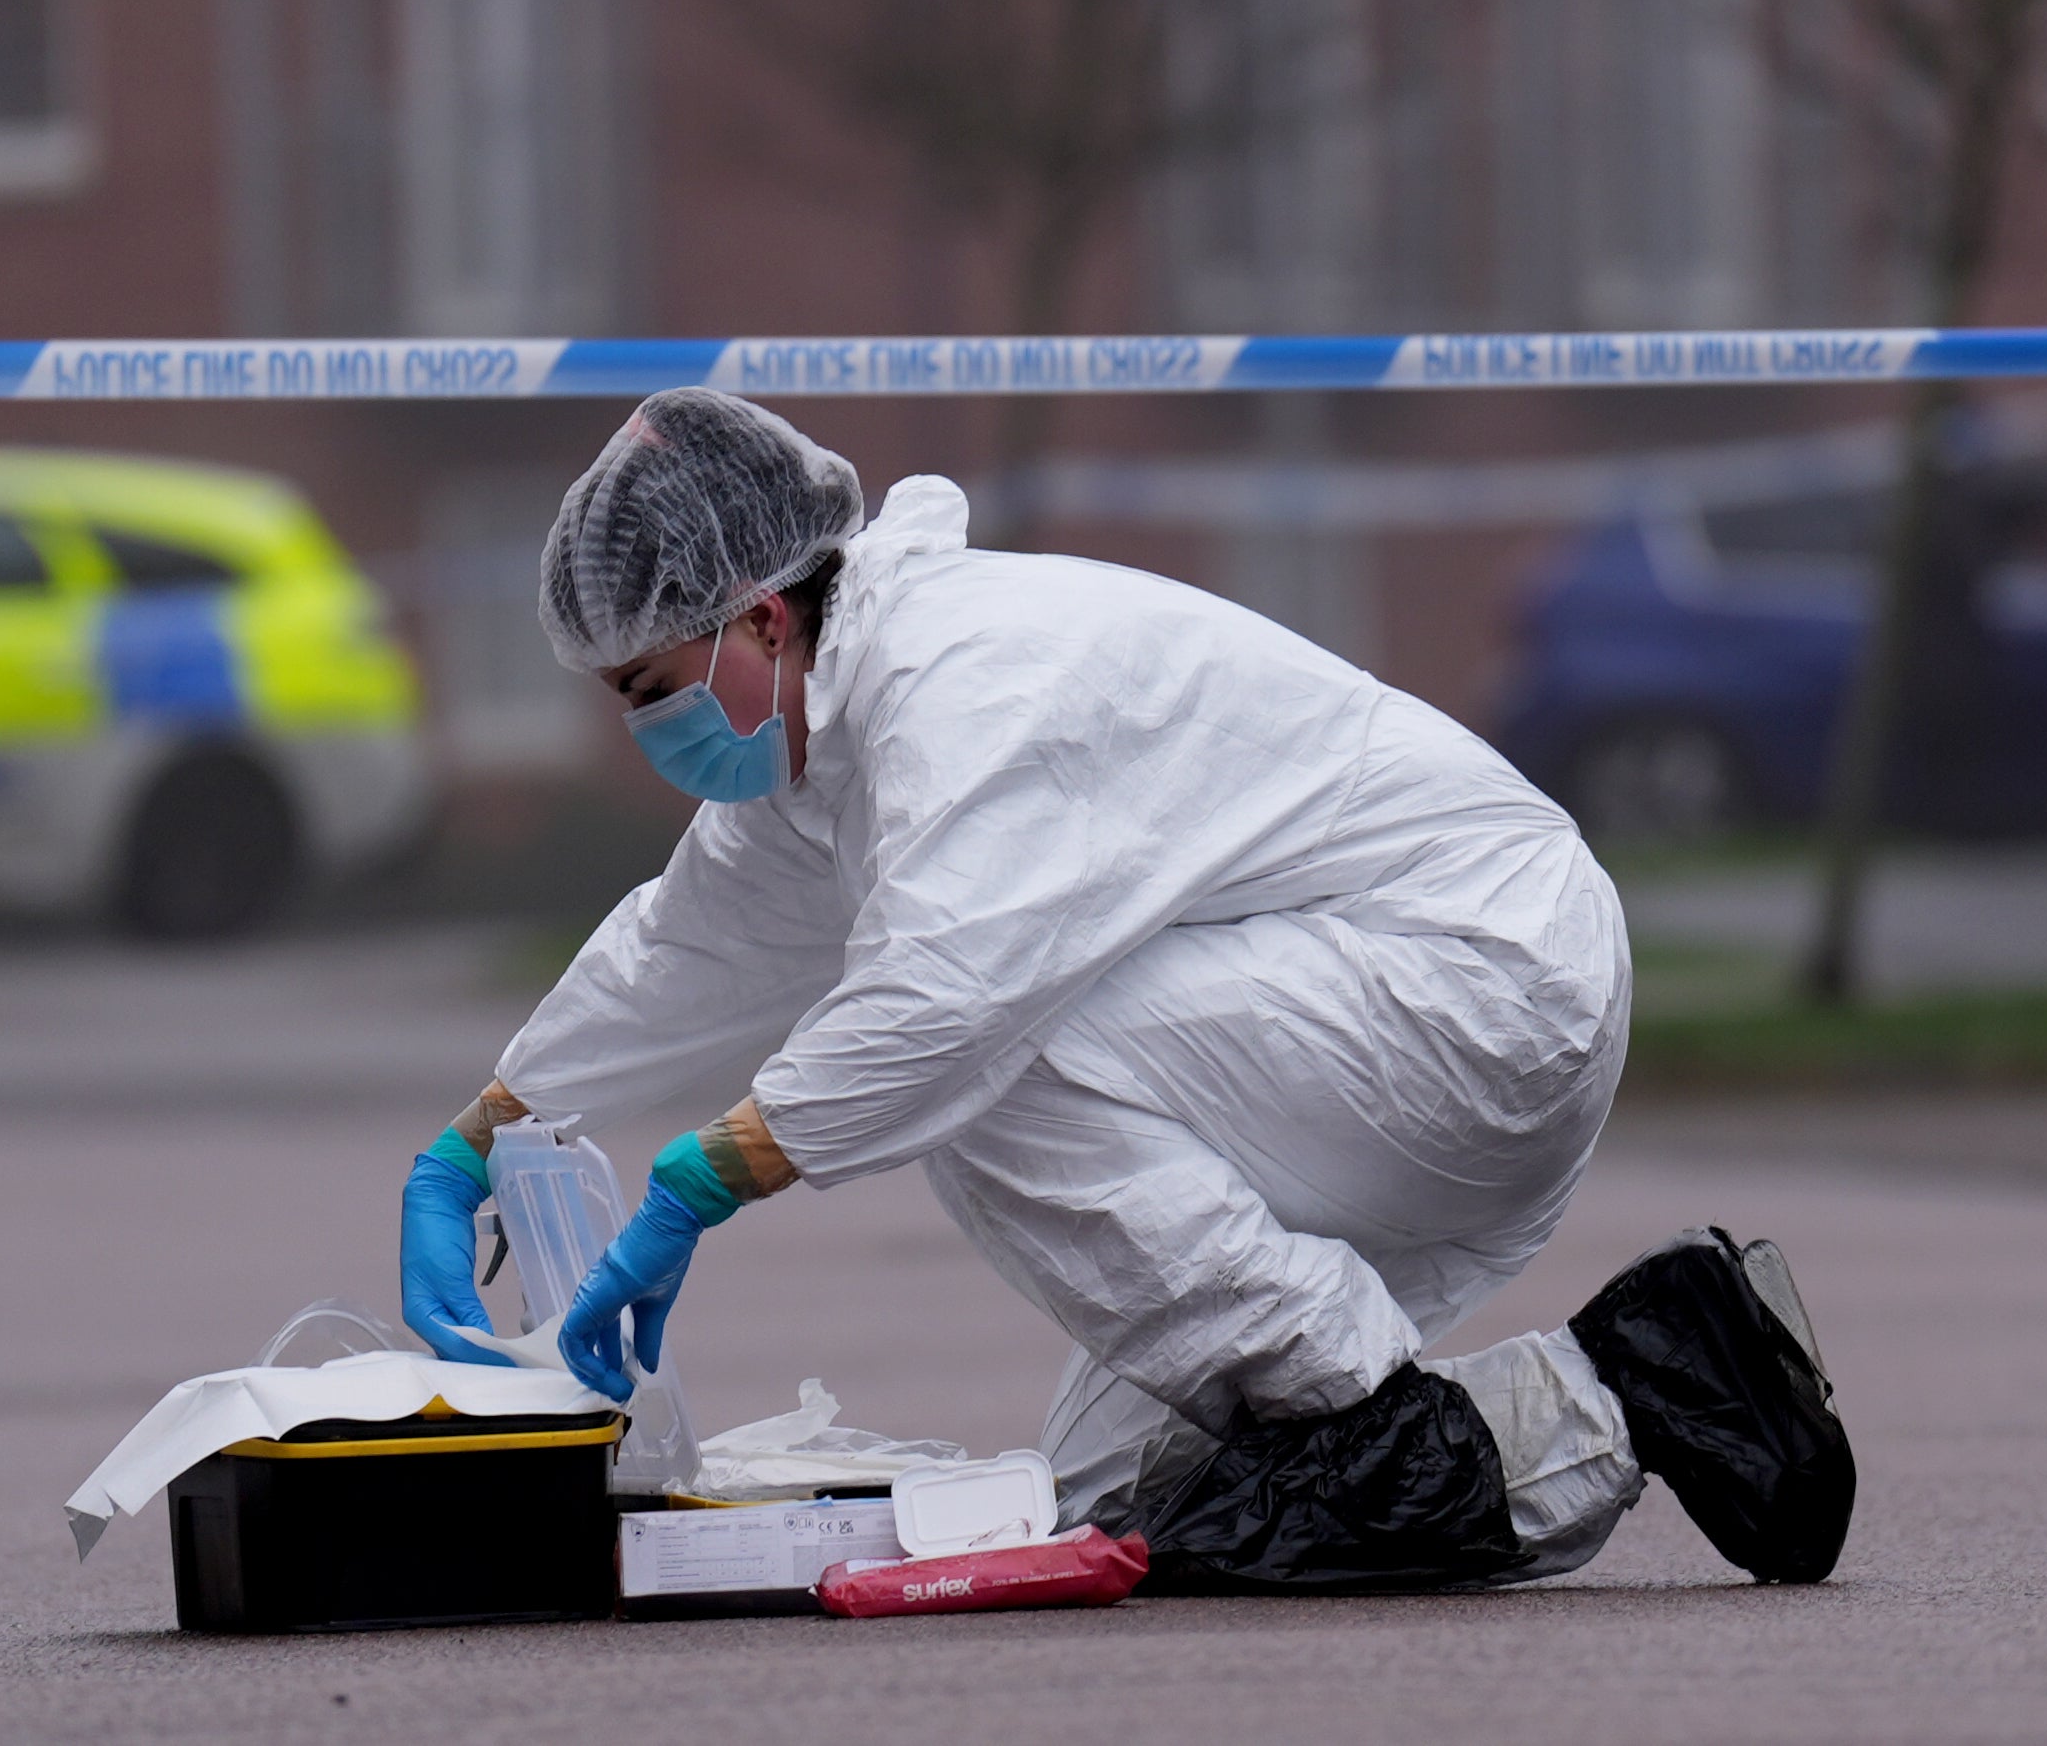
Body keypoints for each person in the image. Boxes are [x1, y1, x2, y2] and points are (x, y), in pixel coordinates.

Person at [399, 389, 1852, 1589]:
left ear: (761, 619)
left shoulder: (970, 679)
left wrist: (695, 1184)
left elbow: (946, 999)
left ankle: (1423, 1407)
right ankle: (1595, 1390)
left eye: (649, 684)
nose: (639, 727)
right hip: (1355, 1027)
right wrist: (479, 1134)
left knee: (981, 1058)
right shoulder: (825, 747)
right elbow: (687, 946)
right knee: (1132, 1499)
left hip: (1471, 986)